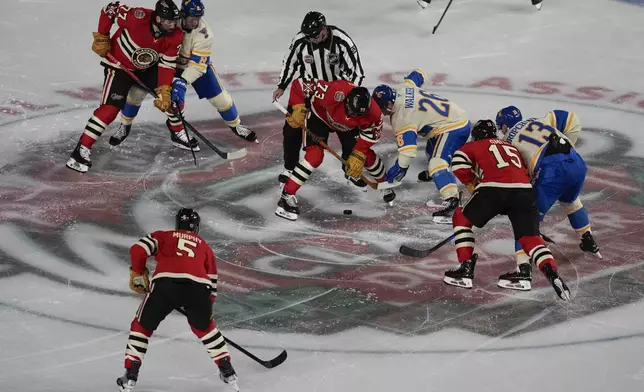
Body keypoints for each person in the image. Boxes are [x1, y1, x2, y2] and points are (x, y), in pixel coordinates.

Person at [444, 120, 571, 301]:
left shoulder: (473, 145)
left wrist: (473, 184)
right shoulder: (510, 146)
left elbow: (458, 164)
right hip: (525, 191)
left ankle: (465, 269)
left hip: (494, 189)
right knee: (530, 238)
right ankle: (548, 273)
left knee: (461, 219)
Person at [117, 208, 238, 392]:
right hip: (199, 288)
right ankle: (228, 371)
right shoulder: (205, 246)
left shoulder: (165, 236)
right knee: (206, 329)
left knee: (142, 327)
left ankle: (131, 374)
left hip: (165, 284)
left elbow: (138, 250)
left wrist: (138, 271)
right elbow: (212, 285)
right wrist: (200, 311)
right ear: (197, 227)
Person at [109, 0, 256, 151]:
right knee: (136, 94)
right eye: (193, 18)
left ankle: (236, 125)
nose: (196, 22)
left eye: (199, 18)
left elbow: (198, 66)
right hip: (166, 64)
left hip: (193, 67)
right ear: (183, 15)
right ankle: (125, 126)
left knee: (221, 99)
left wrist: (182, 81)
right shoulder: (170, 22)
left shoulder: (205, 34)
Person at [66, 0, 183, 173]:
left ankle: (178, 132)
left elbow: (166, 65)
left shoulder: (175, 35)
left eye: (174, 21)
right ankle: (81, 150)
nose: (172, 25)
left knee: (172, 97)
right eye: (168, 21)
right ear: (157, 19)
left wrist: (164, 90)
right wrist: (102, 36)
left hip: (148, 68)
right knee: (110, 110)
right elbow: (109, 9)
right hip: (119, 67)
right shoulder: (137, 17)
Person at [495, 105, 601, 290]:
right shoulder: (539, 119)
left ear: (504, 126)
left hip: (551, 169)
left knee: (525, 220)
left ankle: (523, 271)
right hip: (576, 161)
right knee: (570, 200)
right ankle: (588, 240)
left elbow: (516, 175)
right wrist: (569, 143)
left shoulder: (507, 142)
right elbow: (570, 119)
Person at [275, 80, 392, 221]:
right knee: (315, 156)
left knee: (365, 156)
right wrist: (297, 105)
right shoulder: (335, 91)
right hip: (319, 117)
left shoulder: (374, 114)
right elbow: (299, 84)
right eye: (350, 111)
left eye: (357, 115)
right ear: (346, 100)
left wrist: (359, 153)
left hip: (348, 128)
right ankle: (286, 197)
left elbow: (369, 136)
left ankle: (385, 185)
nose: (350, 116)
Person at [273, 11, 365, 185]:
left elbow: (357, 73)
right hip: (312, 95)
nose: (311, 39)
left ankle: (350, 170)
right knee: (291, 128)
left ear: (324, 29)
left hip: (339, 98)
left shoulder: (342, 41)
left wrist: (348, 98)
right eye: (309, 36)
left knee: (350, 133)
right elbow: (290, 62)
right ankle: (289, 167)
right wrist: (281, 85)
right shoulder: (301, 40)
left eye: (315, 35)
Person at [372, 69, 471, 224]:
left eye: (386, 106)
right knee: (431, 151)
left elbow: (408, 153)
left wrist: (399, 170)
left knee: (437, 163)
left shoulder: (401, 118)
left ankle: (452, 198)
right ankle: (438, 176)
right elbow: (418, 73)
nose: (387, 109)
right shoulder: (404, 87)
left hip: (453, 127)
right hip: (450, 117)